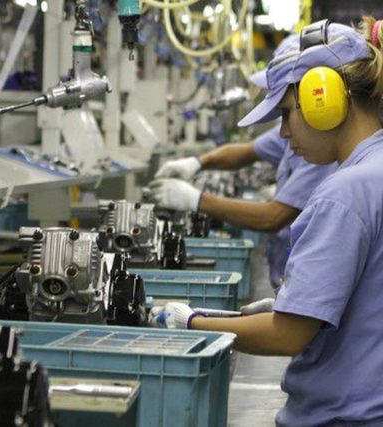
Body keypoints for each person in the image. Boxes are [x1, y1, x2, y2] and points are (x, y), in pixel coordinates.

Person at [151, 18, 383, 426]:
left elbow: (287, 335)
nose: (284, 133)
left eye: (287, 114)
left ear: (324, 100)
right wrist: (299, 303)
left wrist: (190, 322)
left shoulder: (343, 193)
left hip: (343, 416)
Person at [152, 34, 337, 290]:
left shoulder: (320, 148)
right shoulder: (297, 131)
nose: (284, 131)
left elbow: (273, 217)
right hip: (288, 274)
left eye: (284, 110)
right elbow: (247, 151)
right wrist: (196, 162)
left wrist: (196, 200)